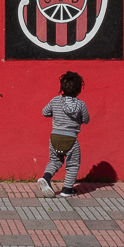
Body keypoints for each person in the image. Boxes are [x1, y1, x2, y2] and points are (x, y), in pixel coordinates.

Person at [38, 70, 89, 198]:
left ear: (62, 87)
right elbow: (86, 120)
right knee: (73, 164)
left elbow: (44, 112)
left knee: (55, 160)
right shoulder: (81, 104)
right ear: (79, 89)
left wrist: (55, 114)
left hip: (55, 137)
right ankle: (67, 189)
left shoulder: (55, 100)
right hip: (71, 138)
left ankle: (47, 178)